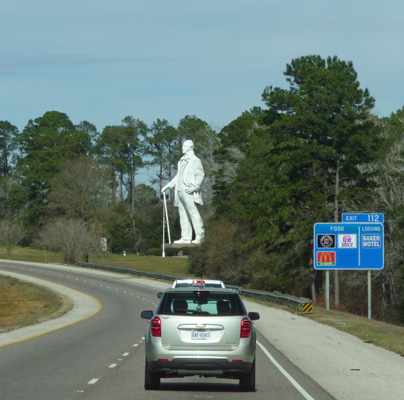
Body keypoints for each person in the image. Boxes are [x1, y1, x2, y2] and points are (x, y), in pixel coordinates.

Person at [162, 140, 205, 244]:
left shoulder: (195, 160)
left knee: (193, 212)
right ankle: (186, 237)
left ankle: (200, 236)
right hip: (179, 190)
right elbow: (179, 176)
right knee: (183, 214)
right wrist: (169, 186)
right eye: (183, 146)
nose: (182, 147)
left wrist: (195, 187)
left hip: (188, 190)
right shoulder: (181, 160)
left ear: (190, 147)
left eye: (185, 146)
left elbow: (200, 174)